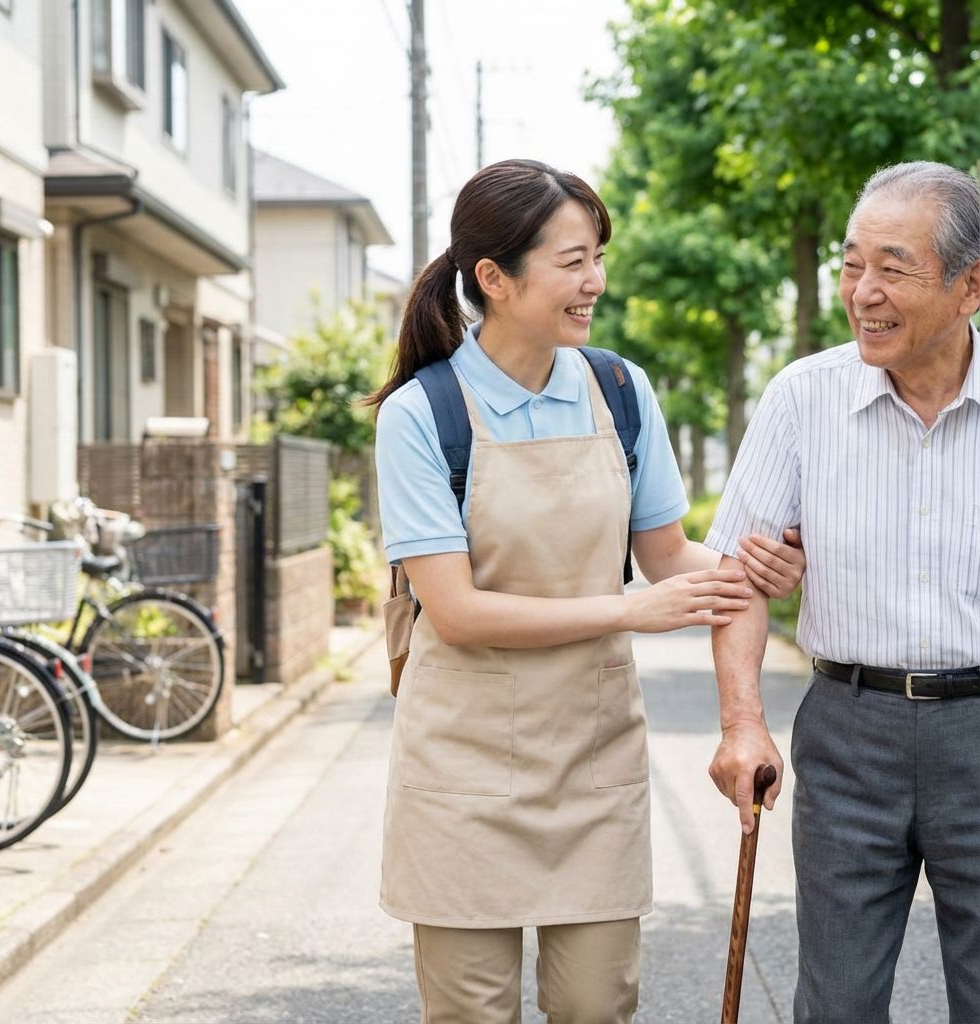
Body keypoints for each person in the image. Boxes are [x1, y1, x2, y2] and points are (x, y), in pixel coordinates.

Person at [369, 158, 806, 1024]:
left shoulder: (619, 391)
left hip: (592, 760)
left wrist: (752, 570)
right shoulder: (422, 414)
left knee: (597, 1005)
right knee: (470, 1012)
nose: (595, 281)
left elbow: (667, 554)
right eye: (572, 262)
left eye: (597, 258)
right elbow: (455, 612)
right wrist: (628, 611)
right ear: (494, 278)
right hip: (460, 768)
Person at [705, 160, 980, 1023]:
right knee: (837, 1005)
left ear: (971, 287)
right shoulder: (803, 397)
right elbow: (739, 574)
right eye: (852, 265)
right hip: (849, 732)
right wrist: (742, 722)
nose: (864, 292)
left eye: (894, 268)